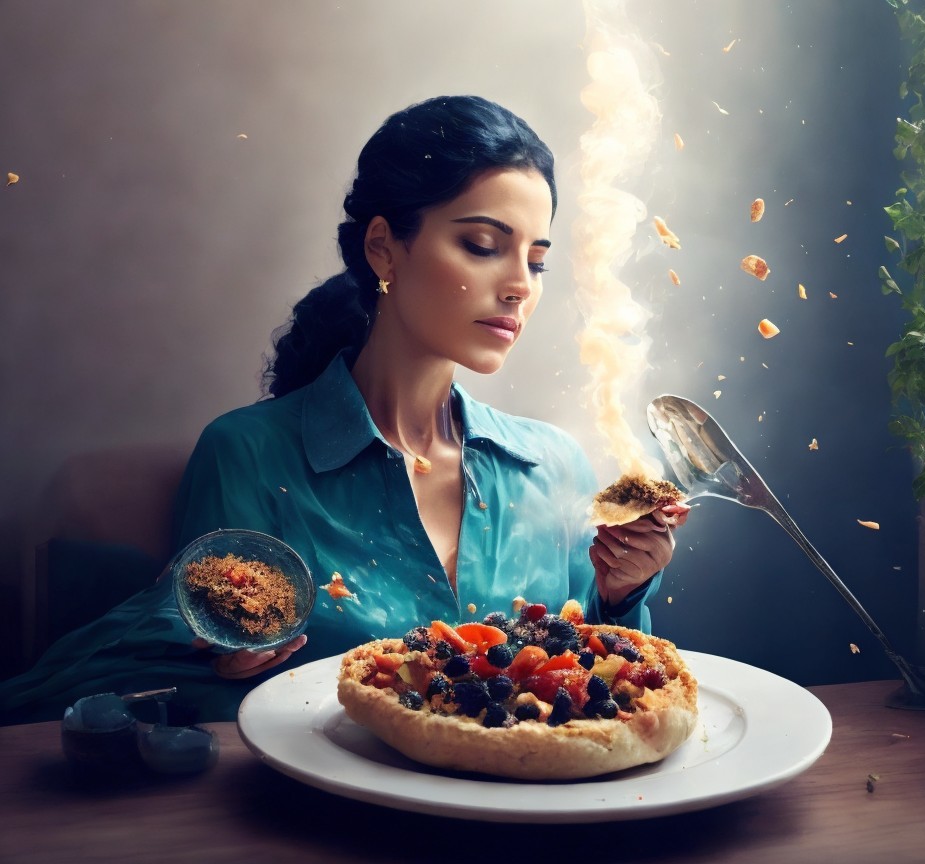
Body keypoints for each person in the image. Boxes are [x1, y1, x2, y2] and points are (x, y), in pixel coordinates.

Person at [0, 95, 688, 724]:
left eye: (536, 262)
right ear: (385, 245)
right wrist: (221, 663)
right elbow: (182, 670)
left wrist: (624, 592)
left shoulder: (553, 465)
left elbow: (606, 683)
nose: (517, 286)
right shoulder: (248, 453)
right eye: (482, 246)